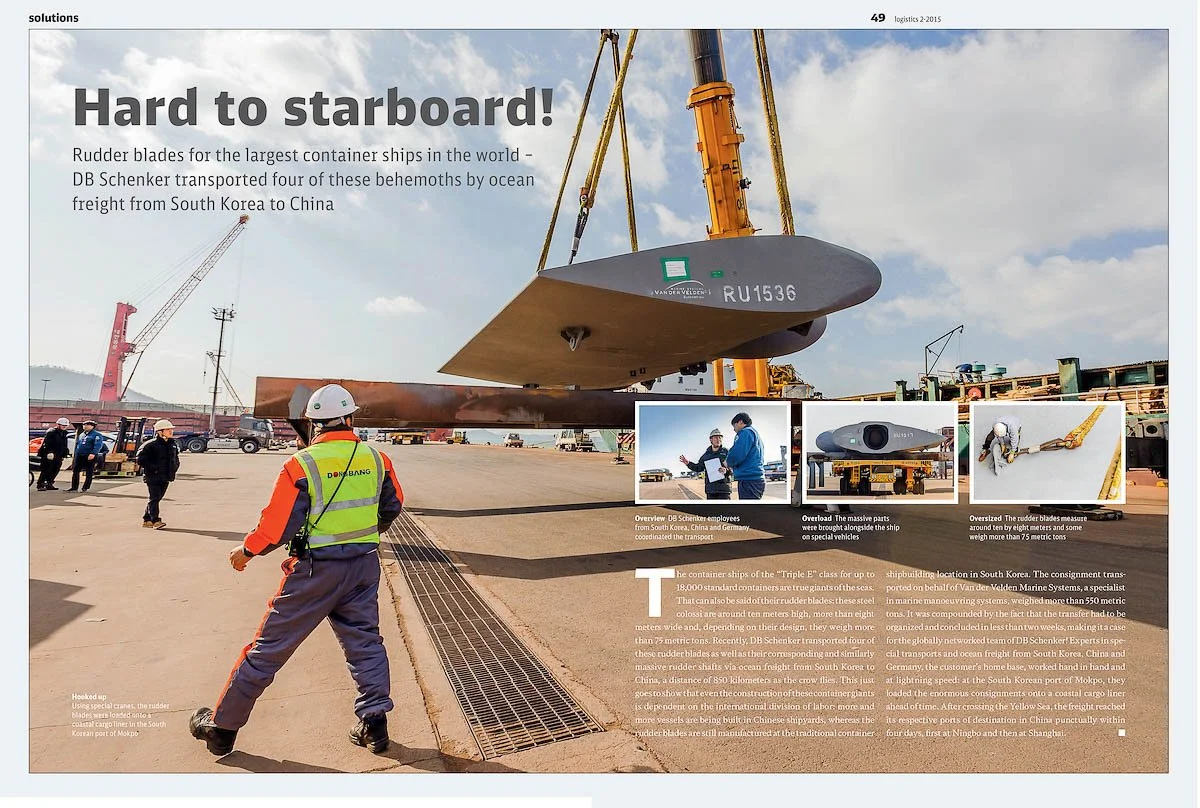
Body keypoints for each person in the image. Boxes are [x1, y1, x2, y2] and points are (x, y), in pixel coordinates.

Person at [189, 383, 404, 757]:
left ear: (312, 425)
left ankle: (222, 728)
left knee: (268, 649)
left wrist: (247, 550)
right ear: (350, 418)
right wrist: (360, 536)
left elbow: (278, 526)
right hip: (363, 567)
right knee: (365, 643)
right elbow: (392, 507)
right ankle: (374, 725)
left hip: (314, 572)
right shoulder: (377, 458)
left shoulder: (300, 464)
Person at [136, 419, 180, 529]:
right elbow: (140, 459)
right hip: (153, 476)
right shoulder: (150, 445)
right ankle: (156, 520)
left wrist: (174, 469)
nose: (171, 432)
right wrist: (154, 469)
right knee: (155, 498)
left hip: (166, 476)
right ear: (160, 432)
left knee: (156, 498)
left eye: (171, 430)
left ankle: (147, 520)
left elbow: (175, 458)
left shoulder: (172, 444)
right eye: (168, 430)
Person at [679, 428, 732, 500]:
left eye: (720, 437)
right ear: (711, 439)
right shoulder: (706, 455)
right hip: (711, 490)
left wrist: (726, 471)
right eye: (716, 437)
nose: (718, 439)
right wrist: (688, 463)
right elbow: (698, 467)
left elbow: (733, 468)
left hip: (724, 490)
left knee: (725, 510)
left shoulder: (726, 452)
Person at [724, 412, 766, 500]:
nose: (734, 429)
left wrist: (727, 462)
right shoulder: (755, 434)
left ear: (740, 422)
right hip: (755, 479)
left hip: (749, 480)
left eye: (734, 426)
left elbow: (737, 453)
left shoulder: (745, 432)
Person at [67, 420, 107, 492]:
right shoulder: (82, 434)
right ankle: (74, 487)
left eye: (87, 425)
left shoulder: (96, 435)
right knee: (76, 471)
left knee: (89, 471)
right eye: (84, 425)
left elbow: (98, 445)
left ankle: (85, 487)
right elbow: (78, 444)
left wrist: (93, 453)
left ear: (92, 426)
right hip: (80, 455)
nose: (85, 426)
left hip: (89, 455)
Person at [36, 417, 72, 491]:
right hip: (49, 455)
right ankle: (40, 484)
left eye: (65, 426)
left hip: (59, 455)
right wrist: (49, 452)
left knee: (55, 469)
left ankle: (49, 483)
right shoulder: (51, 432)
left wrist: (65, 453)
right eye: (63, 425)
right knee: (46, 470)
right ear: (58, 424)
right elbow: (46, 443)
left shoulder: (64, 433)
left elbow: (64, 445)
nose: (64, 427)